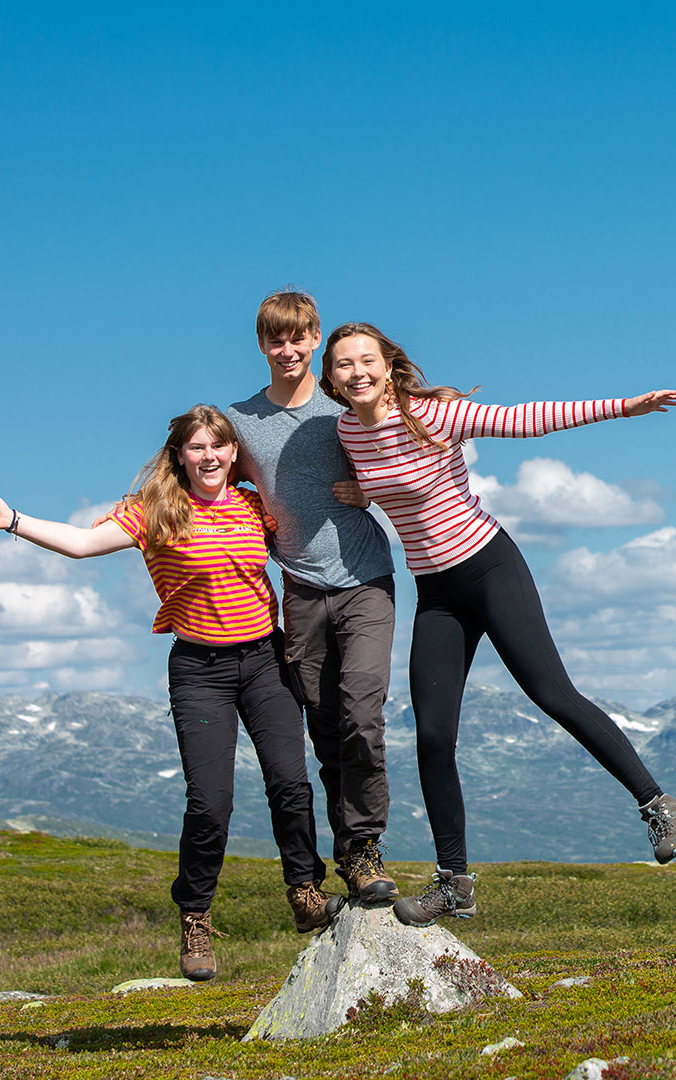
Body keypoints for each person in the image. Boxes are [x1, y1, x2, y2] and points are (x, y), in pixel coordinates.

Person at [318, 321, 676, 928]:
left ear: (389, 366)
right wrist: (364, 495)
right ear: (331, 378)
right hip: (435, 592)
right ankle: (454, 882)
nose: (356, 372)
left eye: (367, 360)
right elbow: (386, 479)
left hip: (489, 566)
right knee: (434, 736)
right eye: (343, 365)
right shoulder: (343, 430)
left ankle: (659, 806)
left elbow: (527, 418)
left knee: (552, 694)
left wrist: (625, 408)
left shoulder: (433, 414)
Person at [0, 405, 336, 982]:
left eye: (219, 447)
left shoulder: (254, 503)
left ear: (234, 453)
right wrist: (13, 521)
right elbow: (82, 545)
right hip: (198, 669)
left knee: (290, 781)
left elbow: (314, 526)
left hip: (263, 660)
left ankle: (305, 891)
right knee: (211, 803)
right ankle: (196, 917)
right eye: (197, 448)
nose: (209, 457)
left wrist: (363, 492)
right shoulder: (153, 511)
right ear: (179, 455)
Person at [222, 289, 399, 903]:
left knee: (361, 714)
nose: (289, 349)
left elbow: (398, 449)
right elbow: (193, 471)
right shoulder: (239, 422)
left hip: (365, 580)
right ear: (262, 344)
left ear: (316, 339)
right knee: (325, 728)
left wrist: (372, 492)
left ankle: (366, 846)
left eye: (300, 337)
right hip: (298, 589)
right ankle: (348, 857)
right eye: (277, 338)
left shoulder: (343, 410)